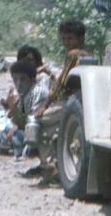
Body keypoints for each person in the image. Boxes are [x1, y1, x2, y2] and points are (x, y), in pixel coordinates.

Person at [27, 20, 91, 183]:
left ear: (81, 38)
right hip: (81, 104)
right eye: (64, 39)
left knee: (37, 121)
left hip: (70, 103)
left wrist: (44, 105)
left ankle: (49, 167)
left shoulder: (74, 55)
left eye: (70, 39)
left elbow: (59, 84)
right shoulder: (87, 55)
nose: (66, 43)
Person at [0, 58, 49, 158]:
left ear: (32, 80)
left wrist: (13, 109)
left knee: (13, 134)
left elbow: (31, 121)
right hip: (25, 127)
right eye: (15, 79)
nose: (18, 83)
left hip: (38, 133)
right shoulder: (24, 92)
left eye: (23, 79)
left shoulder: (38, 92)